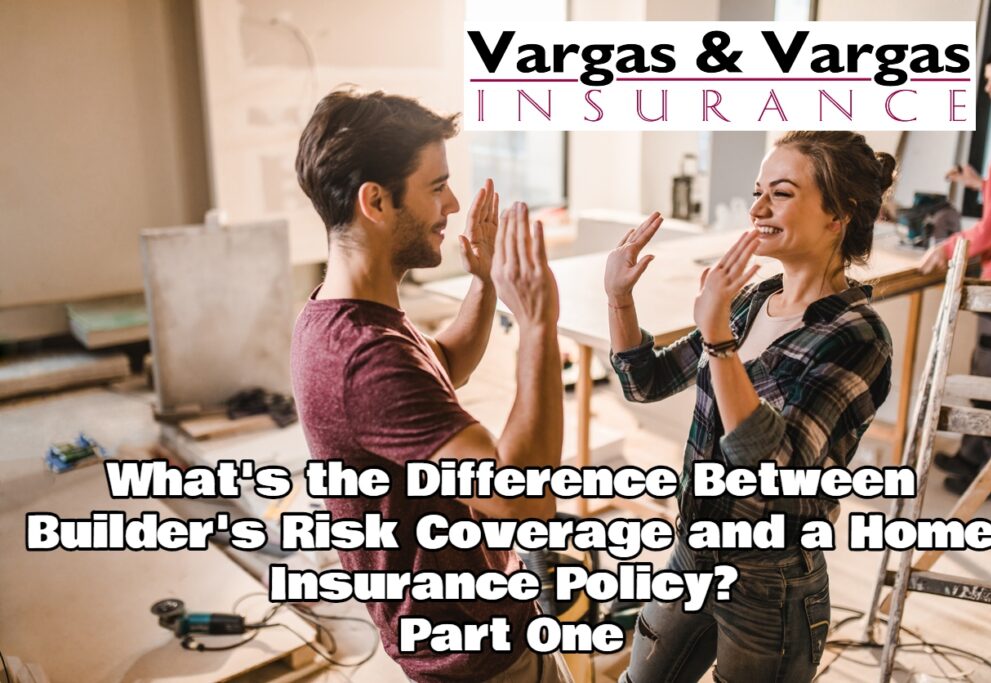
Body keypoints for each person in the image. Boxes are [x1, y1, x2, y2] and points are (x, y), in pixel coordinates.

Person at [290, 89, 571, 682]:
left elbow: (442, 366)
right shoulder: (368, 358)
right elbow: (523, 502)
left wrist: (487, 284)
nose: (453, 202)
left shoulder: (337, 315)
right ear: (376, 201)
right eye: (435, 185)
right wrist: (539, 324)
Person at [606, 131, 895, 682]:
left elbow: (774, 469)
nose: (757, 209)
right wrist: (620, 298)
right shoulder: (753, 300)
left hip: (771, 581)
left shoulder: (857, 335)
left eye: (780, 194)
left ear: (839, 215)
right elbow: (646, 381)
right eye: (757, 191)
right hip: (694, 551)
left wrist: (718, 338)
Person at [920, 41, 991, 504]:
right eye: (987, 79)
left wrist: (948, 247)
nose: (989, 87)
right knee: (986, 364)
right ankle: (972, 455)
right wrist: (978, 183)